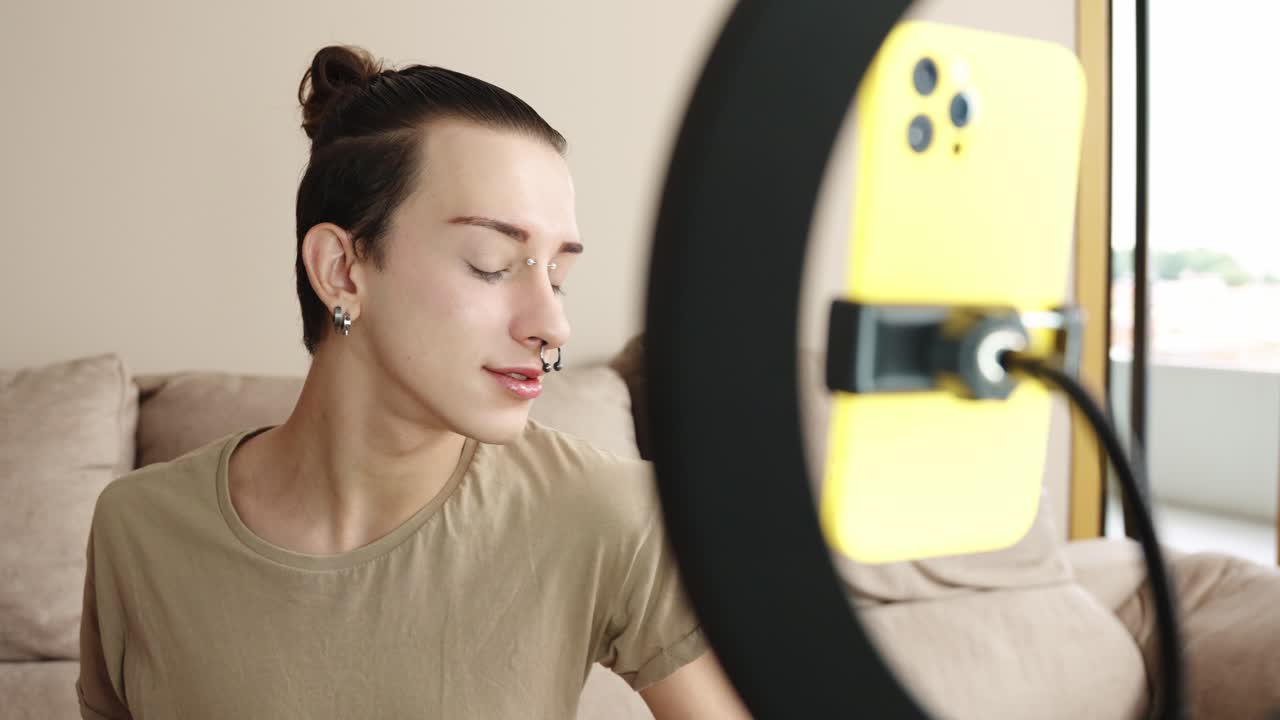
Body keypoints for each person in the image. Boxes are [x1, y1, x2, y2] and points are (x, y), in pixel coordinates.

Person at [76, 45, 750, 719]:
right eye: (493, 263)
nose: (553, 324)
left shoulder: (610, 517)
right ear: (342, 270)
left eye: (557, 276)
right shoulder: (139, 529)